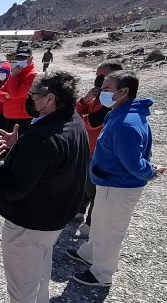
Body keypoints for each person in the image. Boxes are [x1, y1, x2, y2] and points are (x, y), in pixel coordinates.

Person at [0, 72, 88, 303]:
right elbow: (52, 165)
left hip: (29, 220)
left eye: (34, 95)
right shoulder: (72, 121)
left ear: (50, 99)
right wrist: (20, 148)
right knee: (40, 273)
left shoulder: (44, 137)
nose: (30, 99)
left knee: (21, 279)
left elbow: (13, 187)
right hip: (53, 217)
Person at [68, 72, 165, 287]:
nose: (101, 92)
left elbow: (134, 163)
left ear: (123, 92)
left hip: (119, 186)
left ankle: (102, 274)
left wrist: (152, 171)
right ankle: (90, 253)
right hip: (108, 182)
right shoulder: (120, 113)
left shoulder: (125, 124)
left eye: (106, 89)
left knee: (110, 231)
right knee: (100, 224)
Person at [73, 60, 123, 239]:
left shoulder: (113, 99)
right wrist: (84, 100)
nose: (98, 79)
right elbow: (78, 111)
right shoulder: (99, 95)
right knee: (83, 183)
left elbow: (93, 122)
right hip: (87, 148)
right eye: (97, 75)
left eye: (102, 76)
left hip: (100, 152)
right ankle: (78, 212)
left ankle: (90, 224)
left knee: (95, 189)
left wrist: (83, 116)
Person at [0, 46, 37, 136]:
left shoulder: (32, 75)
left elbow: (16, 95)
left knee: (20, 145)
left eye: (24, 57)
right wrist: (6, 95)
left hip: (23, 117)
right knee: (8, 144)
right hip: (9, 115)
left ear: (30, 58)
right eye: (18, 57)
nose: (20, 60)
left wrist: (13, 77)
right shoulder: (17, 72)